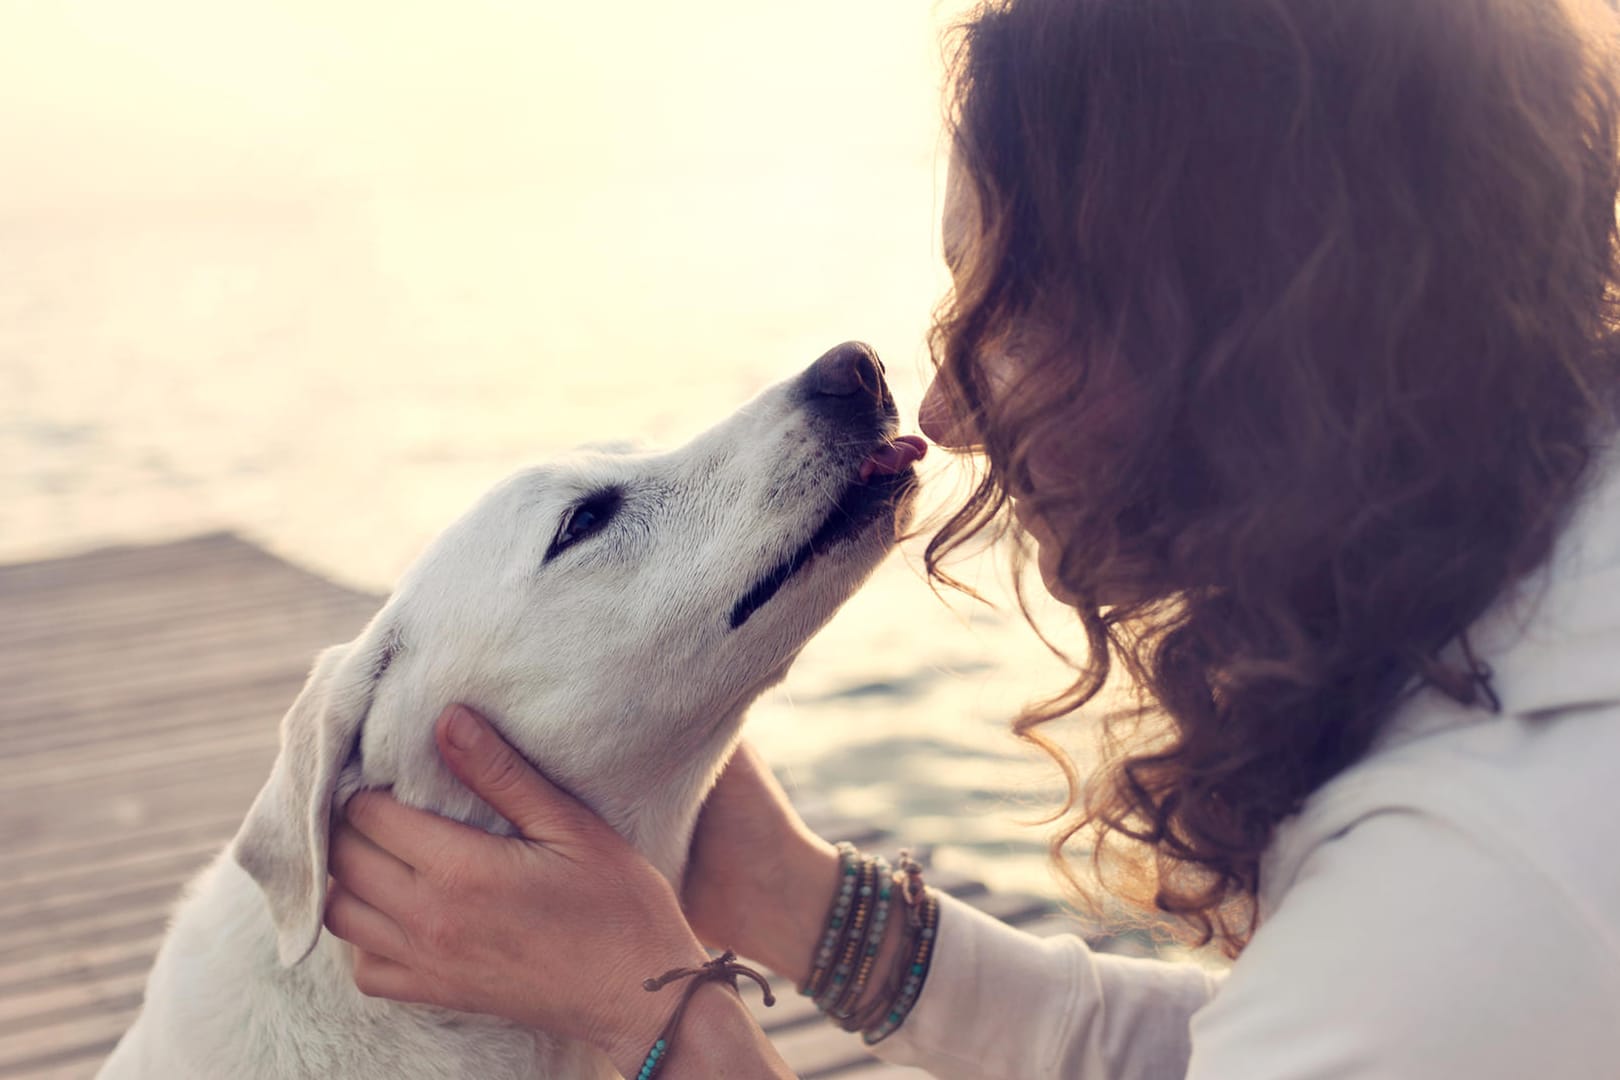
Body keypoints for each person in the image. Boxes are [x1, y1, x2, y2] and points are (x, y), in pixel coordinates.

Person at [322, 0, 1620, 1076]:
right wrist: (792, 899)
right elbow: (1256, 1042)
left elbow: (1395, 997)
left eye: (993, 303)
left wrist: (664, 1021)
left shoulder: (1485, 879)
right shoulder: (1528, 645)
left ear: (1220, 325)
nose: (943, 411)